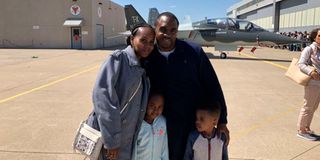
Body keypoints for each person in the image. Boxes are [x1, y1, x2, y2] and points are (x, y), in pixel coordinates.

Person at [144, 12, 230, 160]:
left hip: (190, 123)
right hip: (158, 124)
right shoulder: (147, 56)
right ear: (155, 29)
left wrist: (222, 120)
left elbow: (212, 85)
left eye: (173, 30)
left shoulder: (193, 53)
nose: (168, 34)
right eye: (163, 30)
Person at [86, 23, 155, 160]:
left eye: (151, 42)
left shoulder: (143, 68)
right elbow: (103, 99)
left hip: (128, 141)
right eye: (143, 40)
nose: (147, 45)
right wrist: (111, 141)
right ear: (131, 39)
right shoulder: (118, 60)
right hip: (110, 139)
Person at [297, 27, 320, 141]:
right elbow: (301, 64)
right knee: (307, 106)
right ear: (315, 37)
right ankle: (301, 130)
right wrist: (311, 72)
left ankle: (307, 128)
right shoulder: (309, 49)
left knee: (314, 107)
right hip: (312, 82)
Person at [133, 91, 169, 160]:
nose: (156, 110)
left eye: (160, 107)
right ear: (146, 103)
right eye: (152, 106)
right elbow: (133, 151)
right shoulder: (138, 125)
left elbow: (164, 148)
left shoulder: (162, 122)